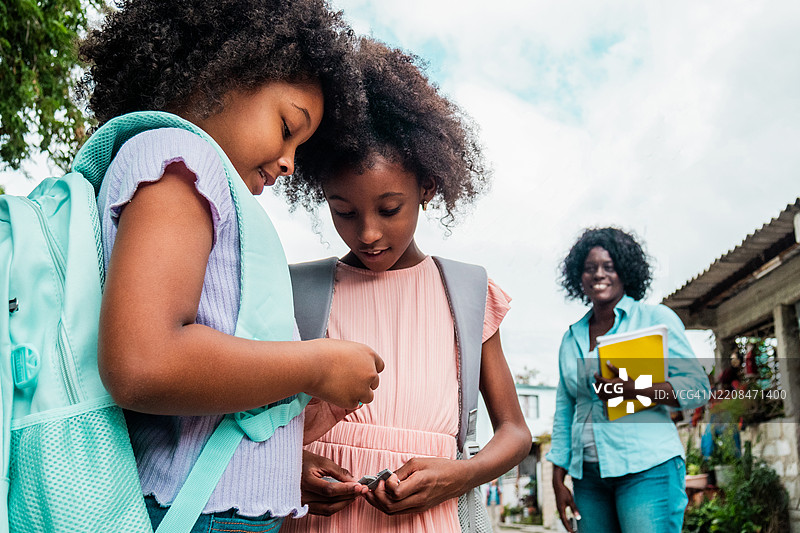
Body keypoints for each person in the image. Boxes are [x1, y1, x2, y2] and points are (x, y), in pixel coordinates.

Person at [79, 1, 384, 530]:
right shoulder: (179, 160)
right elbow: (144, 363)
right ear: (221, 73)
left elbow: (204, 400)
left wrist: (299, 412)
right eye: (288, 126)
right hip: (200, 513)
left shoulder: (191, 178)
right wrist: (315, 364)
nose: (289, 163)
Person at [278, 39, 532, 532]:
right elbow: (253, 427)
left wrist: (459, 476)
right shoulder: (296, 291)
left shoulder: (467, 292)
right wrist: (291, 468)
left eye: (389, 209)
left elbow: (515, 433)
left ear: (428, 188)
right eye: (343, 212)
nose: (368, 233)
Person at [546, 227, 710, 533]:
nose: (599, 274)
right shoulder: (572, 338)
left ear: (625, 271)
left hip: (647, 470)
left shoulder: (655, 319)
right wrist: (558, 474)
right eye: (589, 268)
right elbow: (566, 408)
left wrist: (636, 391)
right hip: (589, 480)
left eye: (609, 267)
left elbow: (697, 387)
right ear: (578, 277)